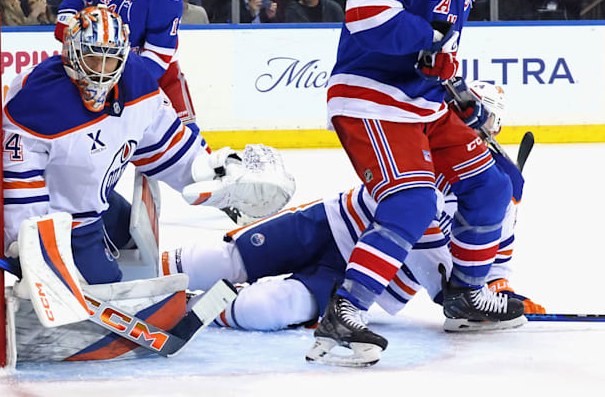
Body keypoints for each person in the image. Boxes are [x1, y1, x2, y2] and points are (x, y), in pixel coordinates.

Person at [314, 0, 524, 367]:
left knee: (492, 187)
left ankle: (466, 294)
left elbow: (438, 49)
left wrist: (458, 91)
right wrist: (427, 43)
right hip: (371, 96)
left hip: (425, 100)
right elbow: (364, 12)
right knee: (411, 203)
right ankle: (343, 314)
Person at [165, 83, 545, 333]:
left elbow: (493, 267)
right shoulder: (417, 146)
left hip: (361, 279)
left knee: (263, 310)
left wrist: (497, 293)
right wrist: (452, 291)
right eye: (465, 119)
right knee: (216, 261)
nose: (473, 131)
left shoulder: (497, 192)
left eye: (484, 123)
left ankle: (185, 308)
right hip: (331, 223)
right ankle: (129, 281)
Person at [3, 5, 290, 283]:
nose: (102, 71)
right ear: (71, 54)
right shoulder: (37, 103)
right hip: (59, 219)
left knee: (132, 236)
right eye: (92, 58)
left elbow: (167, 146)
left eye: (111, 59)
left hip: (93, 200)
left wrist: (213, 173)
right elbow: (15, 184)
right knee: (108, 286)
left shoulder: (136, 81)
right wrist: (29, 245)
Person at [55, 0, 200, 130]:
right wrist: (66, 26)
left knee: (187, 131)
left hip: (157, 72)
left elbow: (157, 59)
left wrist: (119, 82)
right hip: (98, 61)